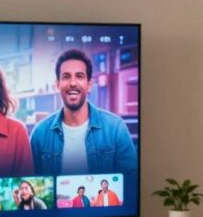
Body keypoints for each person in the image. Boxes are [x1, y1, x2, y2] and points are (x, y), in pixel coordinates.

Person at [29, 49, 137, 178]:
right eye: (66, 77)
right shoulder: (40, 134)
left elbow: (131, 182)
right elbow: (33, 183)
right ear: (57, 85)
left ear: (89, 85)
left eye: (79, 76)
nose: (73, 83)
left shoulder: (115, 128)